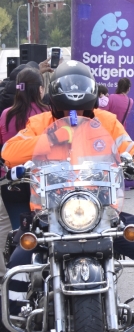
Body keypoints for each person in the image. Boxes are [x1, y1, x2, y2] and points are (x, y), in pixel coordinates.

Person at [1, 61, 134, 332]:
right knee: (19, 260)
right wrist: (52, 137)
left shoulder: (106, 121)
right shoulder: (39, 123)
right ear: (55, 102)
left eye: (81, 110)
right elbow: (10, 152)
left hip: (100, 210)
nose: (75, 114)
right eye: (69, 109)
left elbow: (127, 145)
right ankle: (13, 321)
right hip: (50, 212)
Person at [0, 68, 49, 276]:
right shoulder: (46, 115)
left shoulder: (6, 115)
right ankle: (42, 274)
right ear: (40, 89)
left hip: (13, 181)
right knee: (44, 232)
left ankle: (14, 274)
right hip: (42, 181)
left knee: (17, 233)